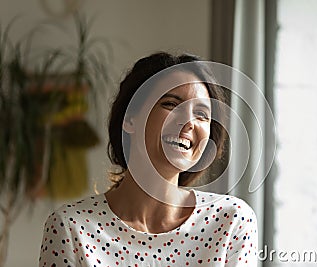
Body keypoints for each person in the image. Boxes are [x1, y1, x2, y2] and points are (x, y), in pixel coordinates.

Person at [39, 52, 258, 266]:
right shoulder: (70, 227)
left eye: (201, 114)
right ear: (130, 119)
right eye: (171, 104)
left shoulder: (231, 221)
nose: (189, 122)